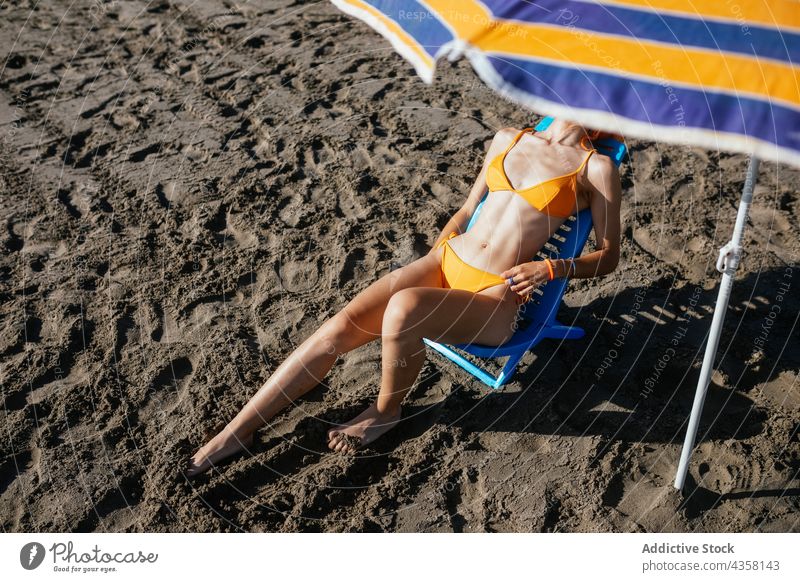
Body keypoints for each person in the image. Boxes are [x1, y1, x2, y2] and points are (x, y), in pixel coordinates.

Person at [184, 118, 622, 476]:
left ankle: (387, 410)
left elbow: (608, 256)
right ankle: (238, 431)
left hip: (494, 296)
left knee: (406, 307)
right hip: (448, 260)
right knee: (337, 329)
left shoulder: (596, 168)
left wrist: (550, 267)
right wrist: (435, 259)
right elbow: (468, 211)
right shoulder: (509, 138)